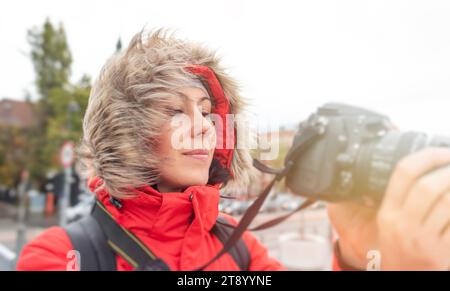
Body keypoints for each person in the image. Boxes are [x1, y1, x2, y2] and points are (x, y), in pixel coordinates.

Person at [17, 29, 450, 271]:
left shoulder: (239, 247)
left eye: (207, 112)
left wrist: (360, 258)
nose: (203, 128)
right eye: (175, 110)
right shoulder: (60, 255)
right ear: (127, 130)